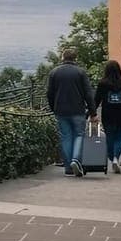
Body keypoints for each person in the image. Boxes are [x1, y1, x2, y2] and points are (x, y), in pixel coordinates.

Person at [47, 47, 97, 177]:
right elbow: (88, 94)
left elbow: (49, 93)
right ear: (75, 58)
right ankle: (76, 159)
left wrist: (53, 108)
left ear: (63, 57)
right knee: (79, 135)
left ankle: (68, 167)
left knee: (66, 137)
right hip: (78, 110)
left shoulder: (54, 72)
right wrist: (93, 112)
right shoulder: (80, 72)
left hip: (60, 110)